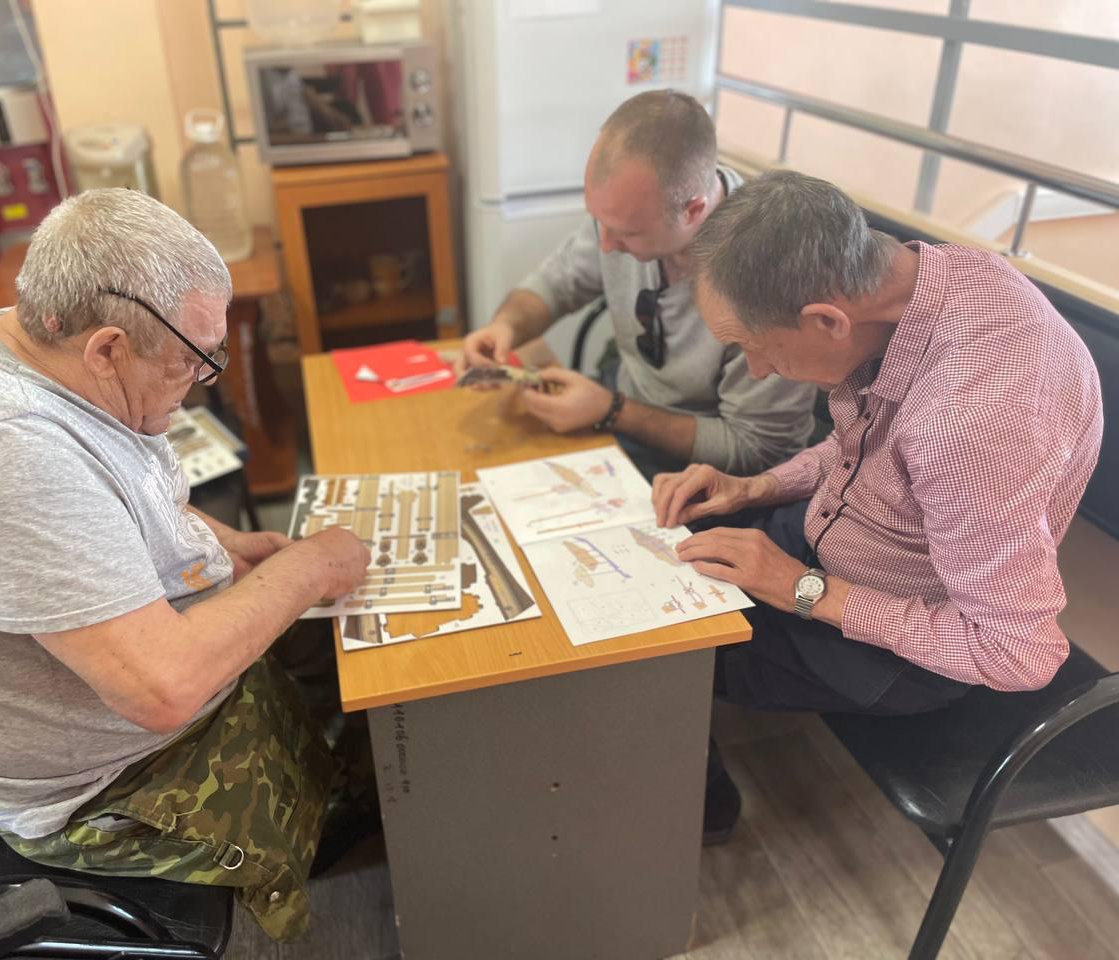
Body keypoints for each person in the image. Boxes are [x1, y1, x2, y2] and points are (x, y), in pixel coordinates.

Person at [0, 188, 371, 941]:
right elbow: (162, 689)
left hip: (121, 686)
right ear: (107, 349)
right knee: (376, 762)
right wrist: (310, 568)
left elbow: (115, 498)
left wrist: (226, 543)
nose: (201, 383)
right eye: (193, 362)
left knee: (346, 653)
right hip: (103, 784)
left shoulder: (27, 349)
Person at [651, 170, 1103, 840]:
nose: (757, 370)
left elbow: (1016, 652)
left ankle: (698, 813)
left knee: (657, 650)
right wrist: (756, 487)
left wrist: (801, 588)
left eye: (753, 346)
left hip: (901, 648)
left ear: (826, 321)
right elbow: (860, 447)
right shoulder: (927, 279)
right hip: (829, 544)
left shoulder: (971, 424)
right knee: (668, 549)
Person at [456, 89, 815, 479]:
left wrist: (612, 411)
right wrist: (505, 327)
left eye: (627, 233)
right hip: (622, 412)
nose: (606, 246)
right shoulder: (628, 215)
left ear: (694, 210)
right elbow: (556, 282)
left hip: (705, 475)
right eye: (599, 223)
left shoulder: (770, 277)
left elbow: (757, 448)